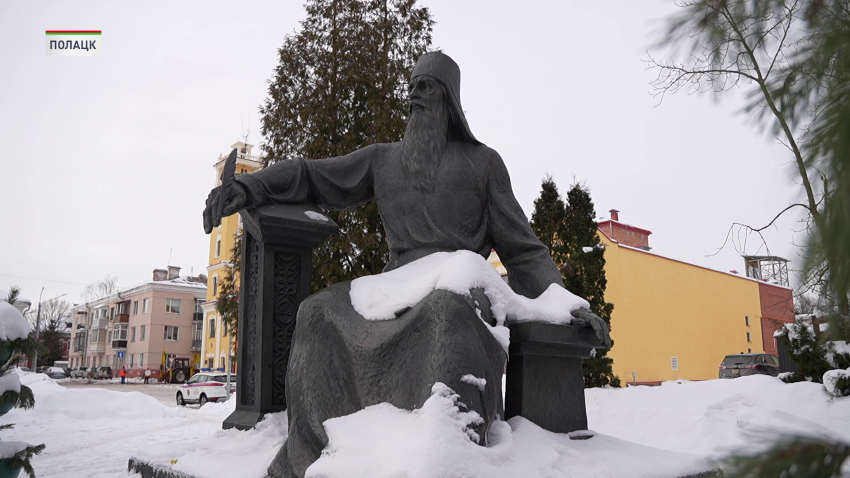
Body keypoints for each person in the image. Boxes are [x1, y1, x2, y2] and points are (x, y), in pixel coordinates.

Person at [203, 51, 609, 478]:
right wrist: (250, 187)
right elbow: (312, 176)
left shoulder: (483, 163)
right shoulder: (385, 160)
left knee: (445, 309)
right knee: (316, 312)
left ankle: (446, 455)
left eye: (425, 86)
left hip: (460, 281)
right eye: (411, 85)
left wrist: (568, 304)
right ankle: (322, 457)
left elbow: (523, 249)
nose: (413, 95)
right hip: (396, 286)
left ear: (448, 99)